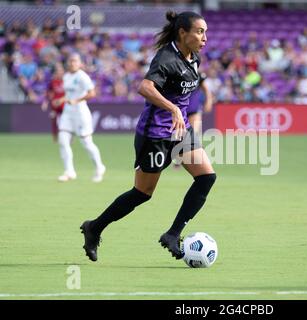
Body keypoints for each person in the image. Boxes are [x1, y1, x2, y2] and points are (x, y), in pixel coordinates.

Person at [80, 11, 216, 262]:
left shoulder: (194, 58)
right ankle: (94, 227)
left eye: (205, 32)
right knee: (142, 193)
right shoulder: (166, 57)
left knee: (206, 177)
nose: (204, 37)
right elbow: (145, 87)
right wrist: (173, 108)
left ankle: (173, 234)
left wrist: (182, 114)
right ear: (182, 33)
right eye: (199, 31)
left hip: (180, 131)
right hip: (154, 134)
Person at [56, 53, 106, 183]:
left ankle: (100, 167)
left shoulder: (83, 77)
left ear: (80, 63)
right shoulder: (66, 76)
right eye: (71, 60)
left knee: (87, 143)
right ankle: (69, 171)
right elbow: (69, 94)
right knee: (63, 140)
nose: (72, 63)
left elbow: (92, 93)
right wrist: (62, 99)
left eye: (75, 61)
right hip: (67, 112)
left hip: (80, 113)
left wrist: (76, 100)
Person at [41, 63, 65, 142]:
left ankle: (70, 137)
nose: (60, 73)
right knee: (54, 120)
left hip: (64, 105)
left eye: (61, 71)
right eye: (58, 72)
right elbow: (48, 93)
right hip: (54, 105)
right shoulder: (53, 82)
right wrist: (45, 102)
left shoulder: (67, 81)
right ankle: (55, 138)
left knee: (67, 121)